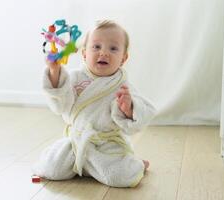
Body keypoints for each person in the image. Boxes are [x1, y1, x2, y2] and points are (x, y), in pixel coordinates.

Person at [33, 19, 156, 187]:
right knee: (51, 169)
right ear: (84, 54)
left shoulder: (122, 86)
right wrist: (55, 72)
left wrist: (129, 108)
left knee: (119, 176)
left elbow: (140, 116)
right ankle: (86, 167)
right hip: (76, 141)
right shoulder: (74, 78)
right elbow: (60, 104)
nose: (103, 53)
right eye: (96, 47)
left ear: (123, 58)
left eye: (113, 48)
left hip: (107, 146)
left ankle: (137, 164)